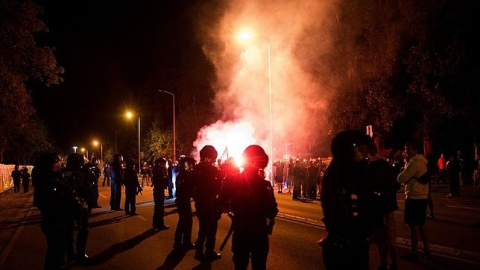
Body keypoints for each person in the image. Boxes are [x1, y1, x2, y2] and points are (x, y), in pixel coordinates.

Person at [218, 145, 279, 270]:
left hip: (241, 231)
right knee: (259, 265)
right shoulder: (264, 185)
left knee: (240, 265)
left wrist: (231, 210)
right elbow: (272, 211)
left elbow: (221, 203)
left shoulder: (232, 181)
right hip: (259, 232)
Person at [319, 130, 373, 270]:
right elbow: (351, 212)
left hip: (351, 243)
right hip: (345, 246)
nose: (364, 155)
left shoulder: (344, 173)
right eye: (360, 150)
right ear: (349, 150)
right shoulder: (341, 177)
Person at [35, 152, 72, 269]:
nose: (59, 164)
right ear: (49, 164)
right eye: (56, 162)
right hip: (53, 221)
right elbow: (52, 200)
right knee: (55, 252)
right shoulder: (47, 180)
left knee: (58, 252)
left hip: (57, 219)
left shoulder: (54, 177)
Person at [367, 142, 399, 270]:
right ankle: (394, 263)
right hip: (389, 205)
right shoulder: (387, 166)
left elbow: (367, 189)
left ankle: (383, 264)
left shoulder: (369, 169)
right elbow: (396, 185)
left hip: (377, 208)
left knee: (379, 238)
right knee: (391, 237)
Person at [397, 141, 431, 261]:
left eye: (409, 149)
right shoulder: (422, 161)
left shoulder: (415, 162)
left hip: (414, 197)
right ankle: (427, 250)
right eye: (406, 149)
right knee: (421, 225)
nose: (407, 152)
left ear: (416, 151)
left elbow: (401, 177)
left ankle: (414, 251)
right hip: (421, 196)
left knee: (413, 226)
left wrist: (405, 172)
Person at [193, 145, 222, 261]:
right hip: (210, 203)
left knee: (203, 228)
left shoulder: (196, 169)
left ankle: (199, 251)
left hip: (200, 202)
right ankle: (209, 251)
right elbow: (217, 187)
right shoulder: (212, 170)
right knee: (211, 229)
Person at [63, 153, 93, 265]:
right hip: (78, 205)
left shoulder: (64, 172)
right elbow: (82, 188)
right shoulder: (76, 173)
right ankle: (79, 255)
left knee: (69, 230)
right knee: (83, 230)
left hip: (68, 206)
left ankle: (70, 253)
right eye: (81, 160)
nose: (83, 162)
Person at [173, 156, 196, 250]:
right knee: (184, 221)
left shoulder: (185, 174)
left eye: (191, 164)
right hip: (182, 200)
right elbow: (185, 188)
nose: (191, 165)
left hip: (184, 200)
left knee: (187, 221)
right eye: (189, 163)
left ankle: (185, 241)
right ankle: (179, 241)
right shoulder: (183, 174)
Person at [152, 158, 169, 230]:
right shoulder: (158, 172)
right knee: (159, 209)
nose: (164, 165)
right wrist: (166, 177)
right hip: (158, 191)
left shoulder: (158, 171)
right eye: (163, 164)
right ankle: (160, 225)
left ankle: (156, 224)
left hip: (159, 191)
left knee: (158, 208)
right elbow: (162, 181)